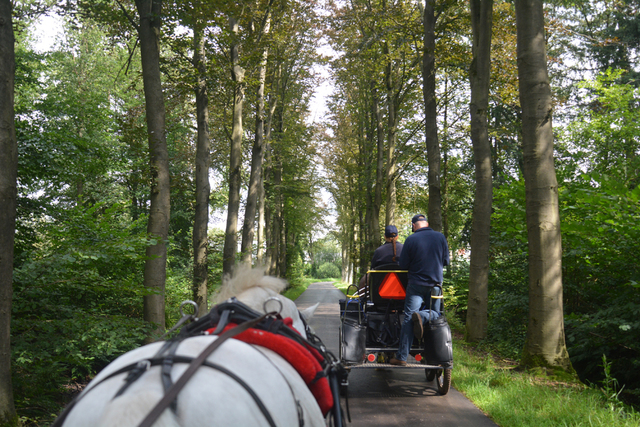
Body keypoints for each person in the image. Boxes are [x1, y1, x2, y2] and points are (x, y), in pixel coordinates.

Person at [390, 214, 449, 366]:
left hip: (416, 285)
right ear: (427, 223)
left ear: (414, 226)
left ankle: (402, 357)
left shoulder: (411, 239)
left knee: (409, 318)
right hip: (435, 285)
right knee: (436, 315)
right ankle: (435, 352)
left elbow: (403, 266)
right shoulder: (441, 237)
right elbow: (446, 262)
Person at [357, 225, 403, 291]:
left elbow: (372, 270)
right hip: (402, 287)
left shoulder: (379, 251)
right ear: (397, 236)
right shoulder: (404, 249)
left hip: (380, 289)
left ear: (385, 236)